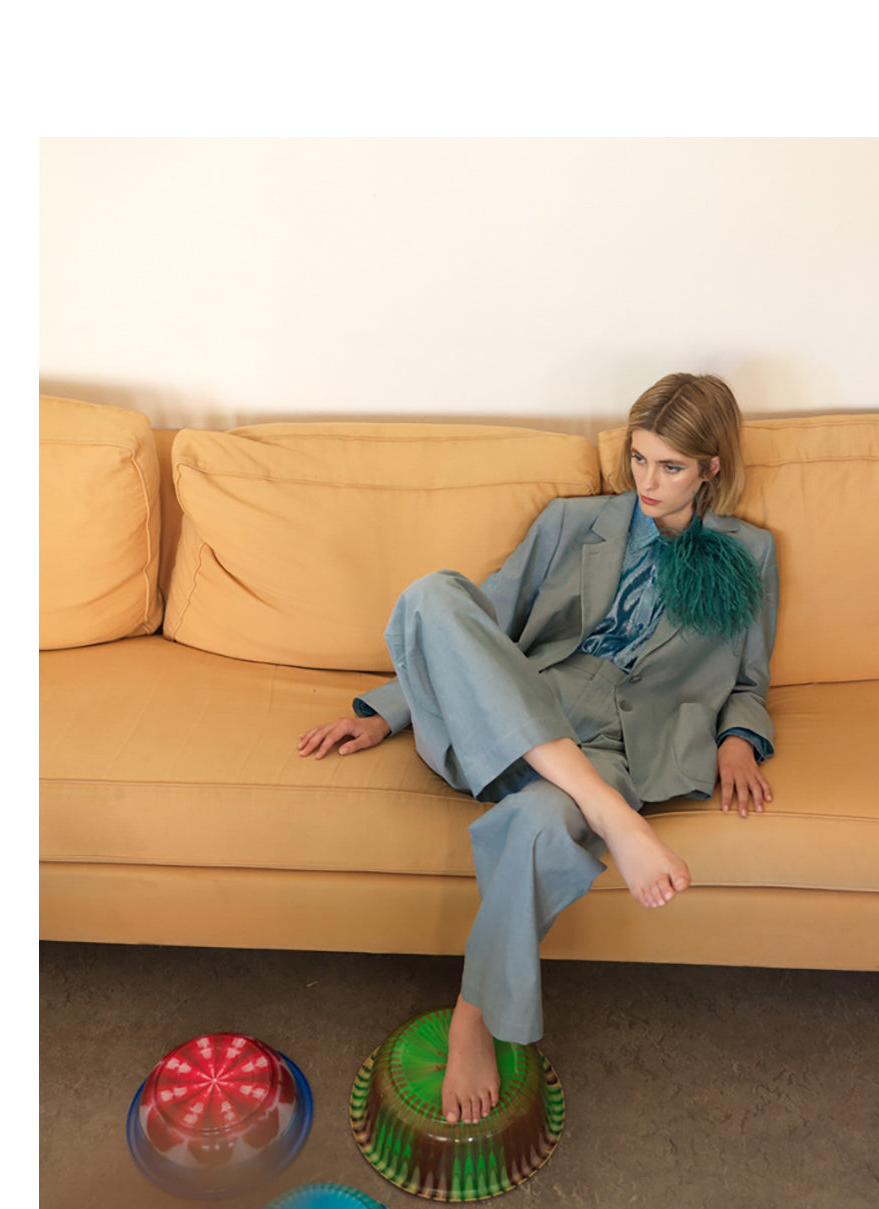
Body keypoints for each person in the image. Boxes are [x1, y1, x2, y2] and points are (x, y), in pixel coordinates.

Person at [297, 373, 778, 1126]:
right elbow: (480, 628)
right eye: (639, 459)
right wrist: (388, 712)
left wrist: (739, 740)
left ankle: (472, 1016)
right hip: (514, 711)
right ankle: (611, 815)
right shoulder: (568, 523)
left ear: (711, 467)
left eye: (671, 466)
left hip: (622, 745)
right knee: (433, 594)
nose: (647, 482)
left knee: (538, 823)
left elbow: (748, 677)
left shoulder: (749, 553)